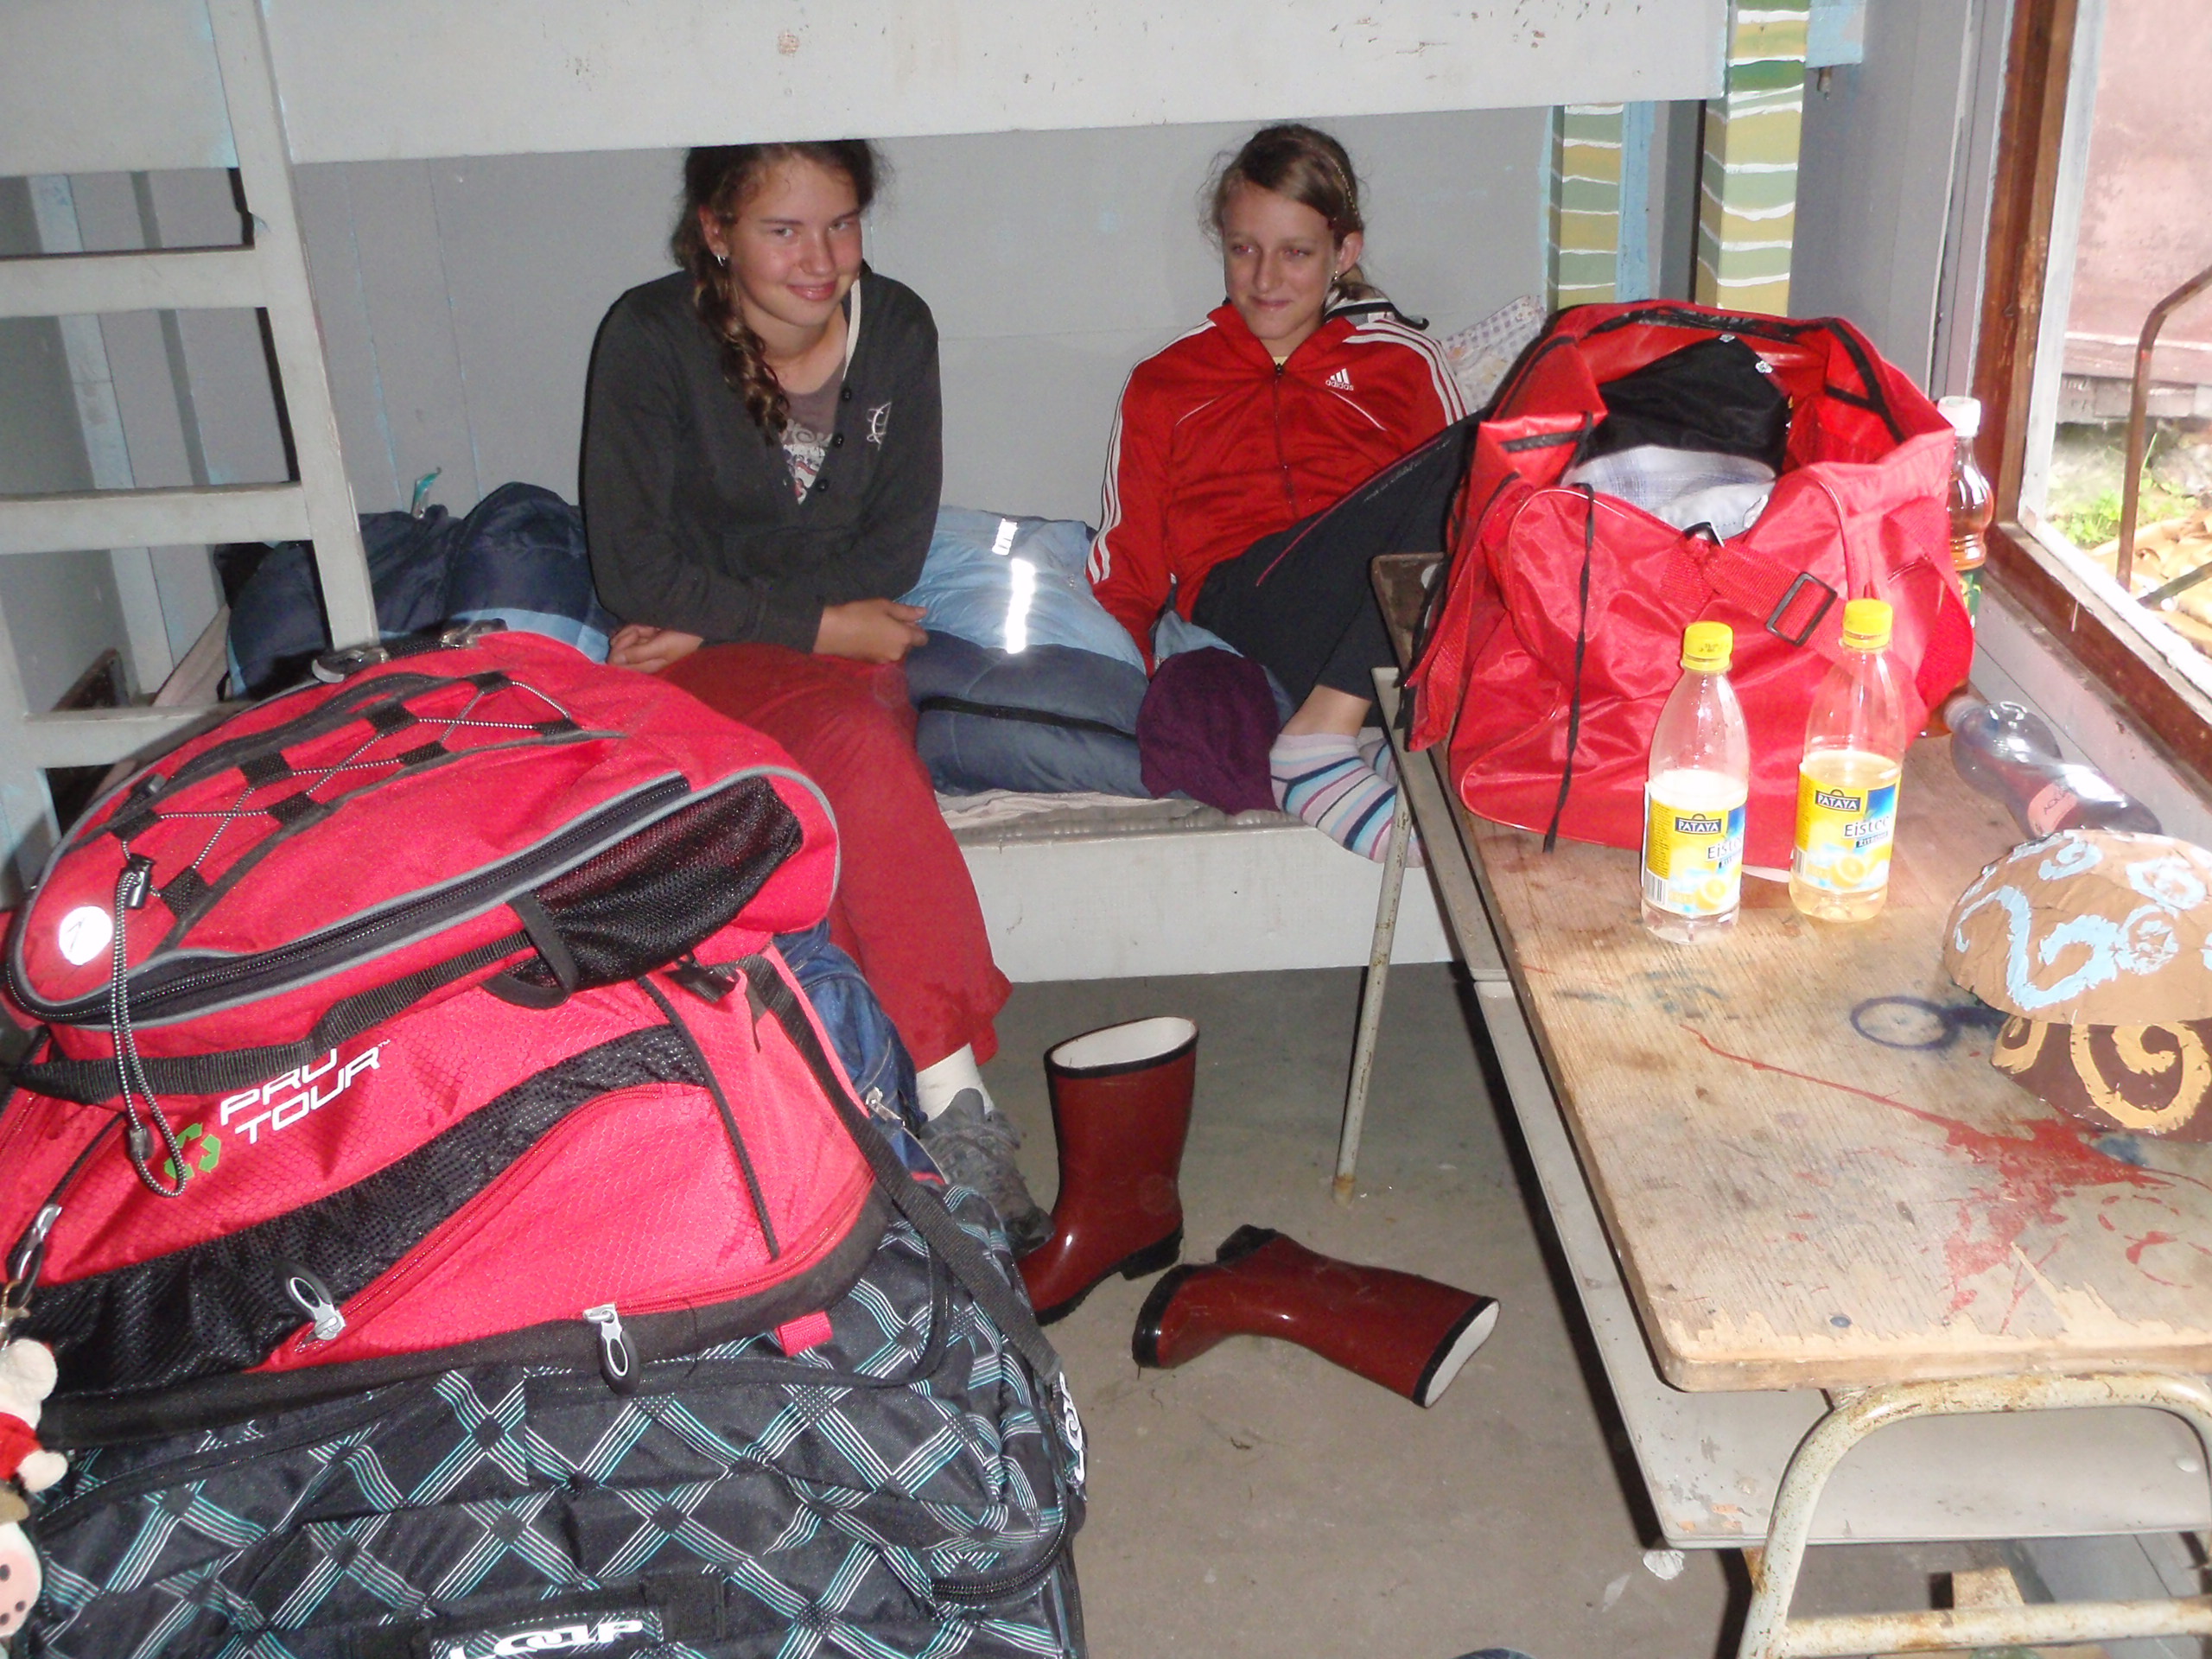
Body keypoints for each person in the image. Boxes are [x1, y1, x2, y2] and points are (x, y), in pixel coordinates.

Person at [581, 142, 1048, 1249]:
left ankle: (873, 1117)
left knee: (849, 762)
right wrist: (810, 622)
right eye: (782, 230)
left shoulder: (897, 329)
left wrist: (733, 605)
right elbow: (634, 574)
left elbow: (891, 550)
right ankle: (952, 1099)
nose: (820, 258)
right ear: (716, 232)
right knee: (847, 744)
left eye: (840, 224)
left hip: (813, 640)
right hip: (704, 663)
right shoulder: (649, 337)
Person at [1090, 124, 1476, 861]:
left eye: (1296, 253)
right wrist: (1140, 680)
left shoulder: (1403, 362)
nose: (1266, 279)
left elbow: (1460, 529)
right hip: (1246, 610)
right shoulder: (1164, 383)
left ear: (1344, 253)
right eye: (1244, 249)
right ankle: (1319, 747)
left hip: (1374, 625)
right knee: (1459, 467)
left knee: (1473, 465)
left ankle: (1362, 733)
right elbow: (1126, 568)